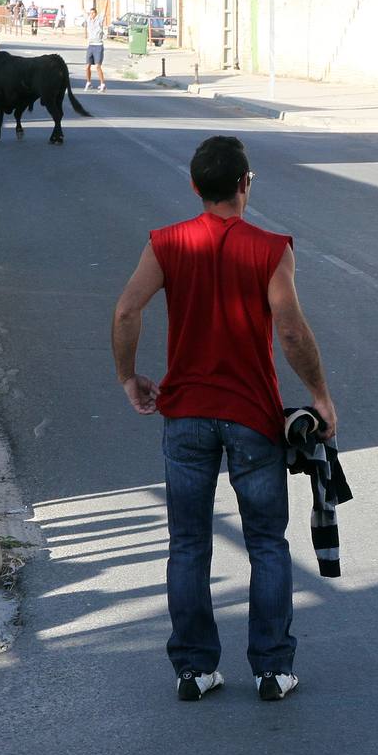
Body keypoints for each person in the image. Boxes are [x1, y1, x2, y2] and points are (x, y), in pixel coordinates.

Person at [111, 135, 337, 704]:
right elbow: (289, 328)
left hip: (184, 413)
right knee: (266, 542)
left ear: (194, 186)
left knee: (187, 544)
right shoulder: (271, 247)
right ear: (245, 184)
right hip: (251, 417)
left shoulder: (165, 244)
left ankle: (194, 668)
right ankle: (271, 668)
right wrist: (320, 395)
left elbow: (126, 309)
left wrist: (128, 376)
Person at [85, 2, 107, 93]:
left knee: (98, 66)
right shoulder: (88, 20)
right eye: (90, 13)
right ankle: (89, 82)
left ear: (96, 13)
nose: (92, 15)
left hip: (98, 45)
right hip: (90, 45)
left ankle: (102, 84)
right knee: (87, 66)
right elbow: (82, 8)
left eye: (93, 13)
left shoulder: (99, 20)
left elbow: (105, 10)